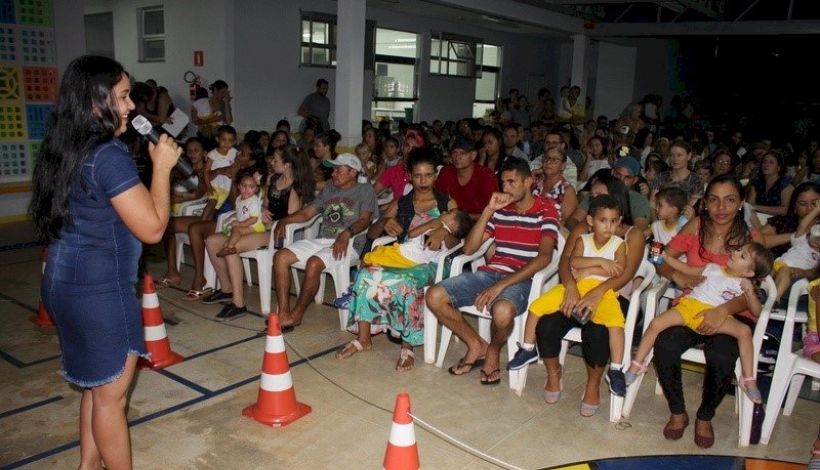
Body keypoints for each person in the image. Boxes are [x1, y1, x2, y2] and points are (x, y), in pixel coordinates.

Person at [29, 55, 181, 470]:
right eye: (123, 96)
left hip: (61, 284)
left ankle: (86, 467)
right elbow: (152, 229)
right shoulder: (108, 155)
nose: (132, 106)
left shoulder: (64, 146)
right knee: (112, 399)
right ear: (95, 101)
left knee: (97, 388)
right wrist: (162, 169)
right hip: (99, 293)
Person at [652, 174, 766, 448]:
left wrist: (723, 310)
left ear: (740, 203)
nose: (721, 208)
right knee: (665, 343)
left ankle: (705, 415)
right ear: (705, 202)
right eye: (714, 200)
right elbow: (661, 257)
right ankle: (678, 411)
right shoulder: (696, 226)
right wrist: (677, 278)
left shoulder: (750, 238)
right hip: (694, 304)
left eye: (729, 200)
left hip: (734, 312)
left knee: (721, 354)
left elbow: (753, 288)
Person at [426, 158, 560, 386]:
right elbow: (469, 249)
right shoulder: (500, 210)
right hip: (490, 272)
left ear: (528, 182)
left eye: (512, 182)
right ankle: (477, 344)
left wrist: (500, 286)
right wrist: (489, 209)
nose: (506, 188)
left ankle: (493, 350)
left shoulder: (547, 209)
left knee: (502, 312)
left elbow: (545, 257)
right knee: (434, 296)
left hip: (523, 277)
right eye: (503, 183)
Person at [336, 148, 467, 370]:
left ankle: (408, 345)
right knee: (366, 274)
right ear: (410, 176)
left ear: (435, 175)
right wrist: (384, 222)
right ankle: (364, 338)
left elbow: (459, 246)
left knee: (407, 282)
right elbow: (372, 234)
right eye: (417, 175)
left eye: (428, 175)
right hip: (405, 256)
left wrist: (444, 232)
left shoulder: (447, 204)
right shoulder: (403, 203)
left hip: (433, 262)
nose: (423, 181)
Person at [534, 174, 645, 415]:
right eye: (592, 196)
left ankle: (593, 385)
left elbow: (625, 274)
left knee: (597, 332)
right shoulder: (585, 228)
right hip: (578, 290)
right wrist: (571, 287)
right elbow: (566, 260)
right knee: (547, 324)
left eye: (598, 195)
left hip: (613, 297)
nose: (591, 200)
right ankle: (554, 373)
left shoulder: (631, 234)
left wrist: (598, 291)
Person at [626, 241, 774, 405]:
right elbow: (686, 269)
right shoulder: (712, 268)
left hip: (716, 317)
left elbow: (757, 312)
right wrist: (666, 257)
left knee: (744, 331)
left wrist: (751, 294)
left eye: (742, 255)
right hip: (691, 308)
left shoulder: (744, 285)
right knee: (656, 323)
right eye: (739, 249)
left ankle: (748, 379)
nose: (735, 253)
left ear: (749, 272)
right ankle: (637, 364)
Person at [509, 195, 629, 396]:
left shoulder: (619, 245)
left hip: (604, 292)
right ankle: (528, 348)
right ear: (591, 221)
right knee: (537, 306)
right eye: (603, 220)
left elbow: (618, 271)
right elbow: (574, 262)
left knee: (616, 325)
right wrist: (600, 262)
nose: (608, 226)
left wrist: (589, 269)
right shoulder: (583, 239)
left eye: (614, 221)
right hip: (576, 286)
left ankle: (616, 370)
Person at [204, 145, 314, 319]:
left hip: (274, 233)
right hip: (260, 227)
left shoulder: (295, 188)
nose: (272, 161)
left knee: (230, 246)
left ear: (287, 164)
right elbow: (264, 204)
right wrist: (262, 209)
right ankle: (226, 288)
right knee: (211, 241)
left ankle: (238, 303)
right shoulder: (274, 179)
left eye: (276, 160)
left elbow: (292, 217)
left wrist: (273, 222)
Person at [272, 153, 378, 330]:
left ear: (352, 172)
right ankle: (284, 313)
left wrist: (347, 233)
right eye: (333, 169)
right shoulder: (329, 188)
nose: (333, 173)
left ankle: (296, 315)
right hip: (322, 240)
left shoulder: (365, 190)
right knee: (280, 257)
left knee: (314, 263)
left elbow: (365, 220)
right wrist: (284, 220)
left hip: (349, 244)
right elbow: (307, 213)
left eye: (338, 170)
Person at [436, 135, 498, 221]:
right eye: (454, 153)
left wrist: (462, 218)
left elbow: (494, 211)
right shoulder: (446, 172)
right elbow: (437, 199)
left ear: (473, 155)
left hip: (480, 223)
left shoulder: (486, 175)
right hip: (450, 223)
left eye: (463, 153)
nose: (457, 158)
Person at [771, 201, 820, 307]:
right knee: (765, 267)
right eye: (815, 236)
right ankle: (757, 290)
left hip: (792, 272)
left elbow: (814, 274)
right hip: (778, 264)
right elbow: (803, 224)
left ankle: (775, 299)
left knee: (784, 272)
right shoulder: (801, 240)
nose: (815, 241)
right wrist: (817, 210)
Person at [214, 172, 265, 258]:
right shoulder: (238, 199)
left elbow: (253, 219)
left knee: (236, 229)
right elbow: (240, 213)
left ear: (256, 189)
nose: (246, 189)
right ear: (238, 186)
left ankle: (230, 247)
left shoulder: (253, 201)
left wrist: (240, 224)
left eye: (251, 187)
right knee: (231, 228)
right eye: (244, 186)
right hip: (246, 225)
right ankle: (229, 240)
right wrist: (235, 220)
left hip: (255, 227)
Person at [201, 125, 238, 220]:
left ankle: (205, 226)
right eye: (223, 140)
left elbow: (238, 163)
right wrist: (208, 187)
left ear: (234, 142)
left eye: (230, 141)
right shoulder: (212, 154)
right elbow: (205, 171)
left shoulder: (233, 152)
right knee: (212, 203)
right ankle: (201, 223)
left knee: (214, 209)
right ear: (217, 139)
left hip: (226, 188)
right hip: (214, 186)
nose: (226, 143)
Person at [748, 150, 795, 217]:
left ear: (779, 167)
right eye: (764, 162)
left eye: (771, 162)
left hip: (780, 221)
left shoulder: (785, 184)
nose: (766, 165)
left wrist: (756, 207)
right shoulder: (757, 181)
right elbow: (749, 205)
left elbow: (785, 210)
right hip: (758, 218)